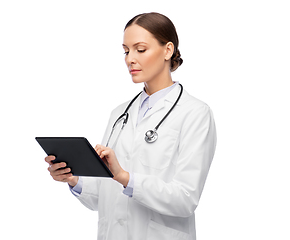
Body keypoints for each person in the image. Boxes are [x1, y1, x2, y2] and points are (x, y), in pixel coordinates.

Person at [45, 12, 216, 240]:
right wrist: (72, 178)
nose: (129, 59)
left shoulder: (195, 113)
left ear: (167, 50)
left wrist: (126, 177)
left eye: (140, 49)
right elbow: (103, 198)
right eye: (126, 51)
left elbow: (185, 199)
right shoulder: (120, 114)